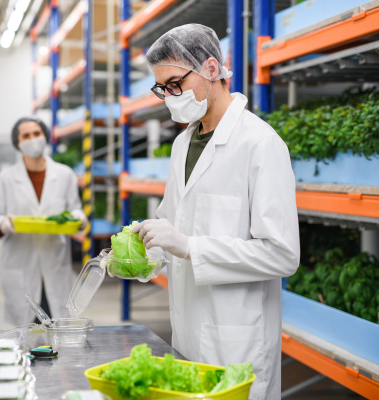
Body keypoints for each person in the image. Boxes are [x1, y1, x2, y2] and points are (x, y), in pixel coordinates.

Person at [131, 24, 300, 400]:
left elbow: (283, 254)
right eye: (162, 89)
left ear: (211, 68)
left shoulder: (260, 144)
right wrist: (146, 254)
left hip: (237, 340)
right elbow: (173, 226)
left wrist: (191, 246)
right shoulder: (182, 143)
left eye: (175, 83)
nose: (170, 97)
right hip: (188, 330)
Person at [0, 116, 87, 326]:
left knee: (56, 332)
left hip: (54, 264)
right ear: (17, 142)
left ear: (45, 137)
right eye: (26, 135)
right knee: (24, 335)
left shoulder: (64, 174)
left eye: (36, 134)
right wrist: (3, 224)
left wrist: (79, 217)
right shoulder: (5, 178)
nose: (32, 139)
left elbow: (74, 208)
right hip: (20, 265)